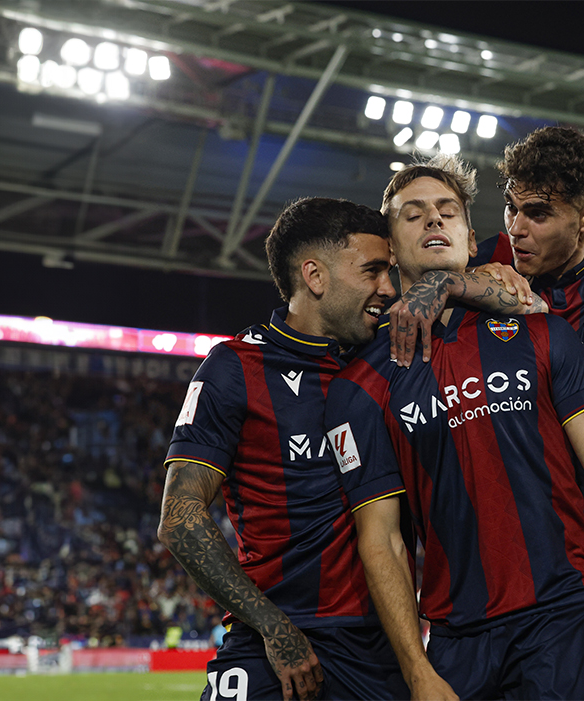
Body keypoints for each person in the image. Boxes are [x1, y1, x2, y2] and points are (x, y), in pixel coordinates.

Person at [325, 155, 584, 700]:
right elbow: (384, 540)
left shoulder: (542, 331)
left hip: (567, 612)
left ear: (471, 235)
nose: (434, 222)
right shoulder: (360, 386)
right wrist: (418, 670)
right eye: (413, 215)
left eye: (447, 212)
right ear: (390, 245)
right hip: (457, 635)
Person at [159, 197, 408, 701]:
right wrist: (274, 627)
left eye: (391, 272)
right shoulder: (235, 367)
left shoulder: (389, 357)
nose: (388, 288)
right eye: (373, 271)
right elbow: (180, 516)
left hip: (380, 648)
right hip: (275, 645)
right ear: (314, 275)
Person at [468, 125, 584, 330]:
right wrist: (469, 275)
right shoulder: (493, 257)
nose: (515, 230)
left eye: (538, 214)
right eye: (511, 207)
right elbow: (428, 283)